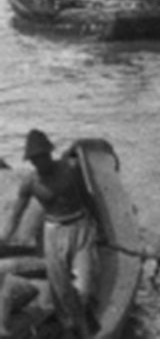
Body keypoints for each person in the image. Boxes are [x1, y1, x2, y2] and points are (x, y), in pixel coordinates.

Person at [0, 130, 99, 339]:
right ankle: (70, 327)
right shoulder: (30, 182)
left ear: (49, 153)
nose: (39, 162)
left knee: (83, 285)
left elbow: (88, 199)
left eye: (41, 157)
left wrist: (99, 228)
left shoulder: (70, 170)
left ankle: (83, 319)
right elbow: (16, 214)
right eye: (34, 159)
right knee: (59, 285)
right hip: (53, 232)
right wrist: (5, 237)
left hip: (79, 226)